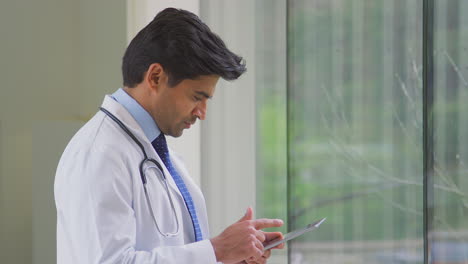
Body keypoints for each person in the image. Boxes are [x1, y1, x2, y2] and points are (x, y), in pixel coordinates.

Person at [54, 7, 284, 264]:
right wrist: (216, 250)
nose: (202, 113)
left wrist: (228, 257)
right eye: (197, 97)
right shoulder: (99, 154)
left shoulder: (160, 154)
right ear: (155, 77)